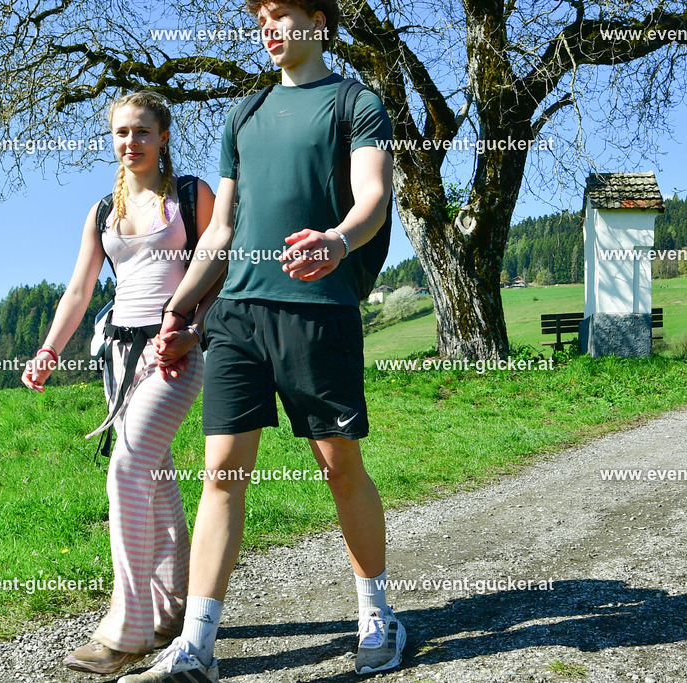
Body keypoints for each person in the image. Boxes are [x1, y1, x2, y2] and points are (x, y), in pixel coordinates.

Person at [119, 2, 403, 681]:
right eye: (262, 18)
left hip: (318, 310)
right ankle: (196, 645)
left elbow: (374, 196)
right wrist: (179, 308)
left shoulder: (355, 103)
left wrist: (337, 240)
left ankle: (377, 615)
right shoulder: (243, 113)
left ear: (318, 21)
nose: (269, 28)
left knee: (340, 467)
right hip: (237, 315)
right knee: (221, 473)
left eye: (282, 13)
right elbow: (220, 231)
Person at [22, 91, 218, 675]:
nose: (130, 141)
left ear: (163, 136)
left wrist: (192, 331)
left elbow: (220, 268)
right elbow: (79, 289)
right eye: (120, 132)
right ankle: (172, 611)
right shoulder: (102, 211)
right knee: (154, 476)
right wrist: (49, 350)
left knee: (128, 467)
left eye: (141, 131)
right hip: (119, 354)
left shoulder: (190, 195)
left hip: (175, 353)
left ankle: (127, 629)